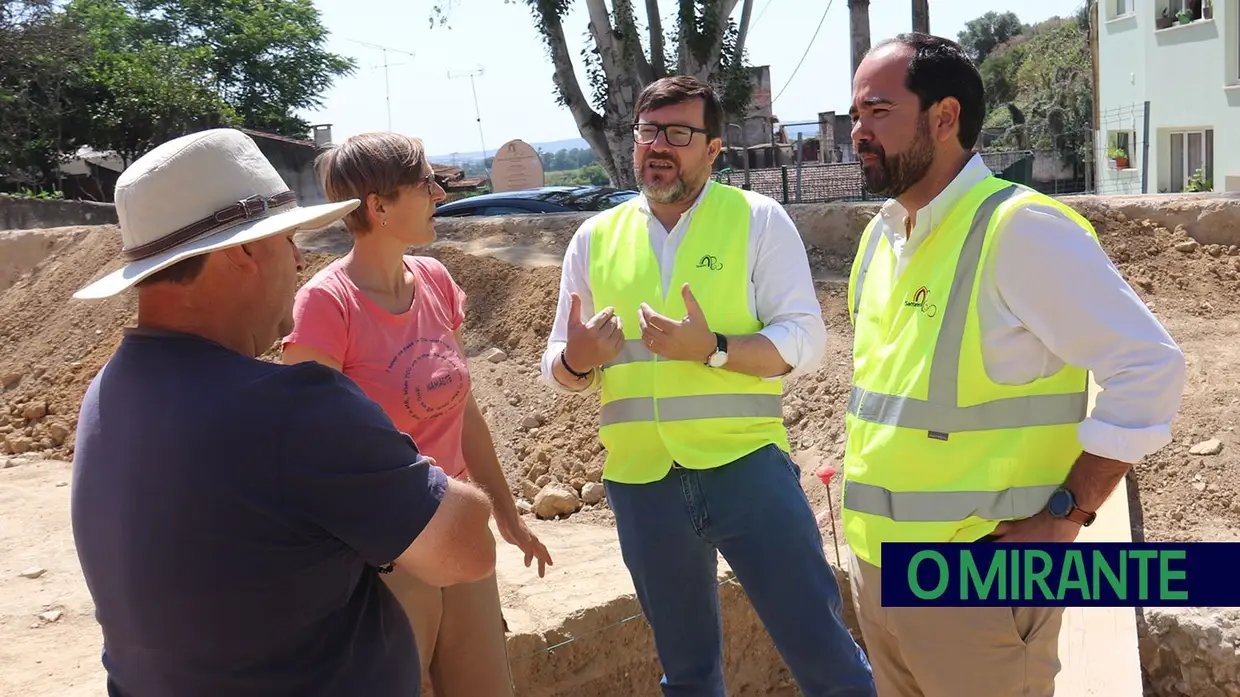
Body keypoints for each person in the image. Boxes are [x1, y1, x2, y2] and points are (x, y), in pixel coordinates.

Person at [69, 128, 498, 697]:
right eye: (287, 239)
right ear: (244, 252)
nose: (299, 261)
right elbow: (465, 548)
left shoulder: (109, 392)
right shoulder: (292, 408)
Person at [842, 33, 1187, 697]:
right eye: (856, 115)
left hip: (979, 586)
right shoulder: (880, 240)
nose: (858, 131)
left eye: (877, 111)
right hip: (879, 576)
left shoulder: (1020, 229)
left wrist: (1068, 511)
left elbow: (1150, 368)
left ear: (944, 117)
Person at [539, 75, 876, 697]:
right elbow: (557, 367)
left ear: (714, 148)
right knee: (687, 676)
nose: (657, 145)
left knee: (824, 657)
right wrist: (577, 361)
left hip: (746, 470)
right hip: (642, 486)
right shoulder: (595, 238)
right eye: (647, 131)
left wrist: (715, 350)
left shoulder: (756, 221)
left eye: (678, 133)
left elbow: (806, 340)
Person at [280, 131, 552, 697]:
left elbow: (465, 414)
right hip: (383, 556)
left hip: (455, 534)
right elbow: (311, 450)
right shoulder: (327, 305)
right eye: (425, 182)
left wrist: (505, 515)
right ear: (378, 206)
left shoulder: (435, 281)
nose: (438, 193)